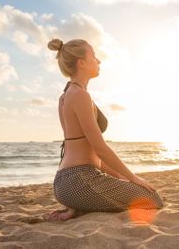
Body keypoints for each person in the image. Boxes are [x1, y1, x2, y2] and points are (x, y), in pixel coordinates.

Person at [45, 38, 164, 221]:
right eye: (94, 56)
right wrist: (134, 178)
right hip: (79, 179)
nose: (98, 61)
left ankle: (79, 207)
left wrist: (119, 178)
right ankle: (79, 205)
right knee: (152, 199)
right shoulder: (80, 96)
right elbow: (100, 149)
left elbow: (81, 151)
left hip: (64, 182)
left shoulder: (66, 96)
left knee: (138, 192)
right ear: (81, 63)